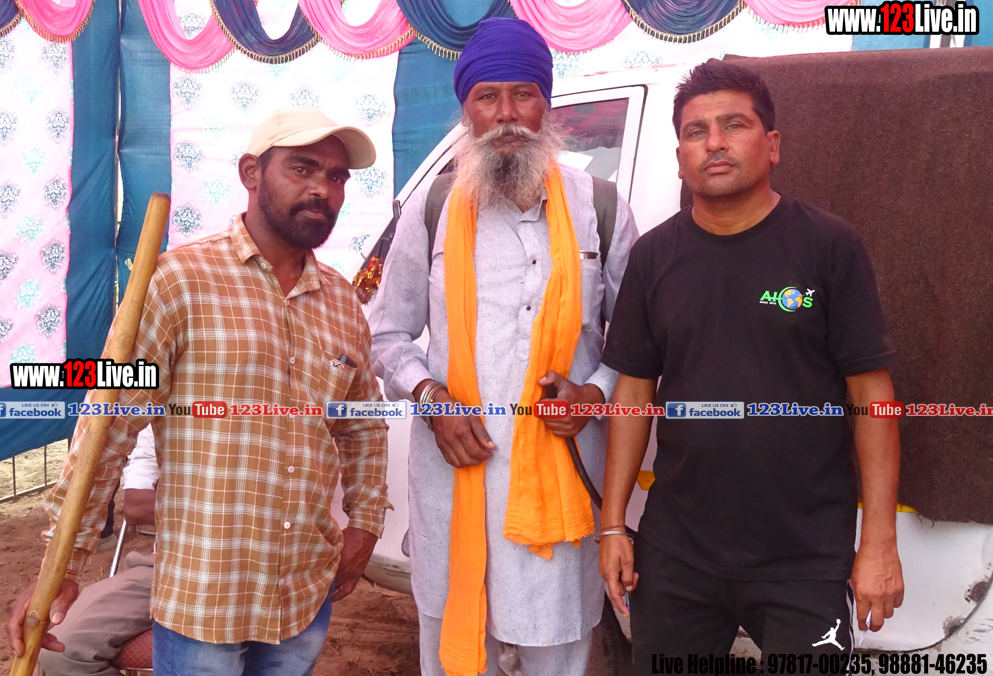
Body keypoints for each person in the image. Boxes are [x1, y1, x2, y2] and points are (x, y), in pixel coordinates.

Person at [8, 107, 392, 676]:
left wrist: (365, 523)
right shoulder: (176, 282)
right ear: (251, 173)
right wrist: (61, 560)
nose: (322, 188)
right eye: (303, 168)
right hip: (204, 593)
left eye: (336, 177)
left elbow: (361, 425)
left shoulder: (342, 303)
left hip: (303, 587)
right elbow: (107, 425)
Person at [598, 59, 905, 673]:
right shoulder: (654, 258)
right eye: (696, 131)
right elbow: (632, 395)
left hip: (804, 556)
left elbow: (873, 398)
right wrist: (611, 527)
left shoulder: (828, 247)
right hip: (678, 551)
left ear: (773, 145)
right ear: (680, 157)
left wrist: (878, 542)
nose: (714, 142)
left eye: (734, 125)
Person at [367, 17, 639, 676]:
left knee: (558, 654)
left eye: (523, 94)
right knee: (456, 656)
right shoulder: (432, 208)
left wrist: (593, 393)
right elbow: (386, 333)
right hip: (453, 485)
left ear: (546, 103)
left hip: (562, 501)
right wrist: (431, 397)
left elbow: (638, 343)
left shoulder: (601, 207)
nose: (507, 114)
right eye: (487, 96)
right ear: (467, 110)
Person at [38, 426, 158, 676]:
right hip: (169, 564)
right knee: (60, 650)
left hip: (247, 568)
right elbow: (137, 506)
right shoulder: (165, 418)